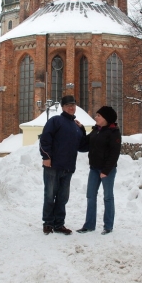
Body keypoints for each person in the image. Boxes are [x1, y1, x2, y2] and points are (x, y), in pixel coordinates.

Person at [39, 95, 86, 235]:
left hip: (68, 167)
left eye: (73, 105)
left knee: (63, 197)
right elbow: (45, 138)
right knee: (49, 195)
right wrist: (46, 157)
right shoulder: (55, 121)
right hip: (53, 166)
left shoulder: (76, 126)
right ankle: (48, 223)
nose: (71, 107)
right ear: (63, 107)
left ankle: (59, 224)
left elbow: (82, 146)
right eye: (68, 105)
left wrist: (83, 129)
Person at [77, 106, 122, 235]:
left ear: (106, 119)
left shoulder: (114, 132)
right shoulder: (96, 130)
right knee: (90, 196)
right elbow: (84, 144)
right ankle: (89, 225)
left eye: (99, 115)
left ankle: (108, 226)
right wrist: (81, 129)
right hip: (94, 169)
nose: (96, 117)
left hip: (107, 170)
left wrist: (106, 171)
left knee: (108, 197)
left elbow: (114, 154)